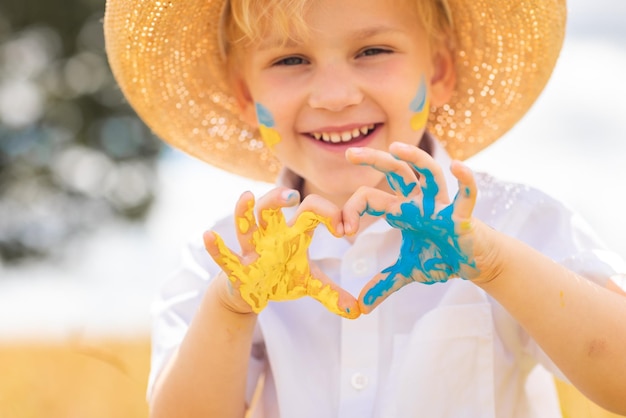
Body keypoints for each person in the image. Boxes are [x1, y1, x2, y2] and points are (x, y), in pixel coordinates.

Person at [103, 0, 626, 416]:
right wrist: (232, 307)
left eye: (373, 51)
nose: (333, 95)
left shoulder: (510, 222)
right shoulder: (228, 260)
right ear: (245, 94)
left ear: (438, 70)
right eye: (290, 60)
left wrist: (497, 264)